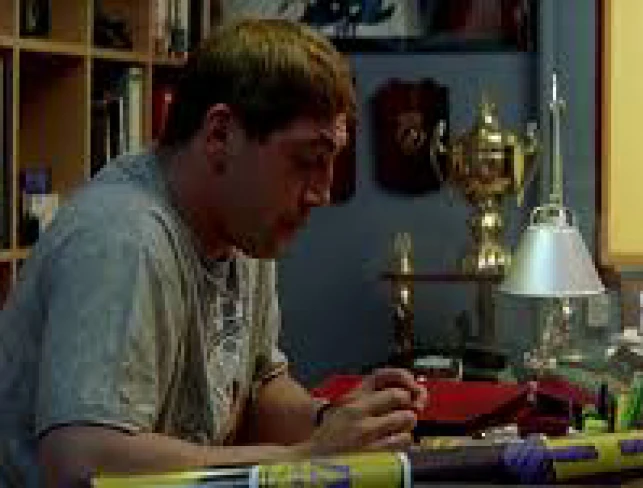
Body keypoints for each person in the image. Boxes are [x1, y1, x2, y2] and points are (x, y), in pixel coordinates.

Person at [0, 19, 427, 487]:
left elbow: (260, 390)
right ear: (220, 135)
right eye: (307, 161)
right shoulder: (124, 239)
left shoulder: (245, 229)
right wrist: (304, 458)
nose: (321, 193)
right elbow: (79, 462)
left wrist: (335, 422)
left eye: (331, 163)